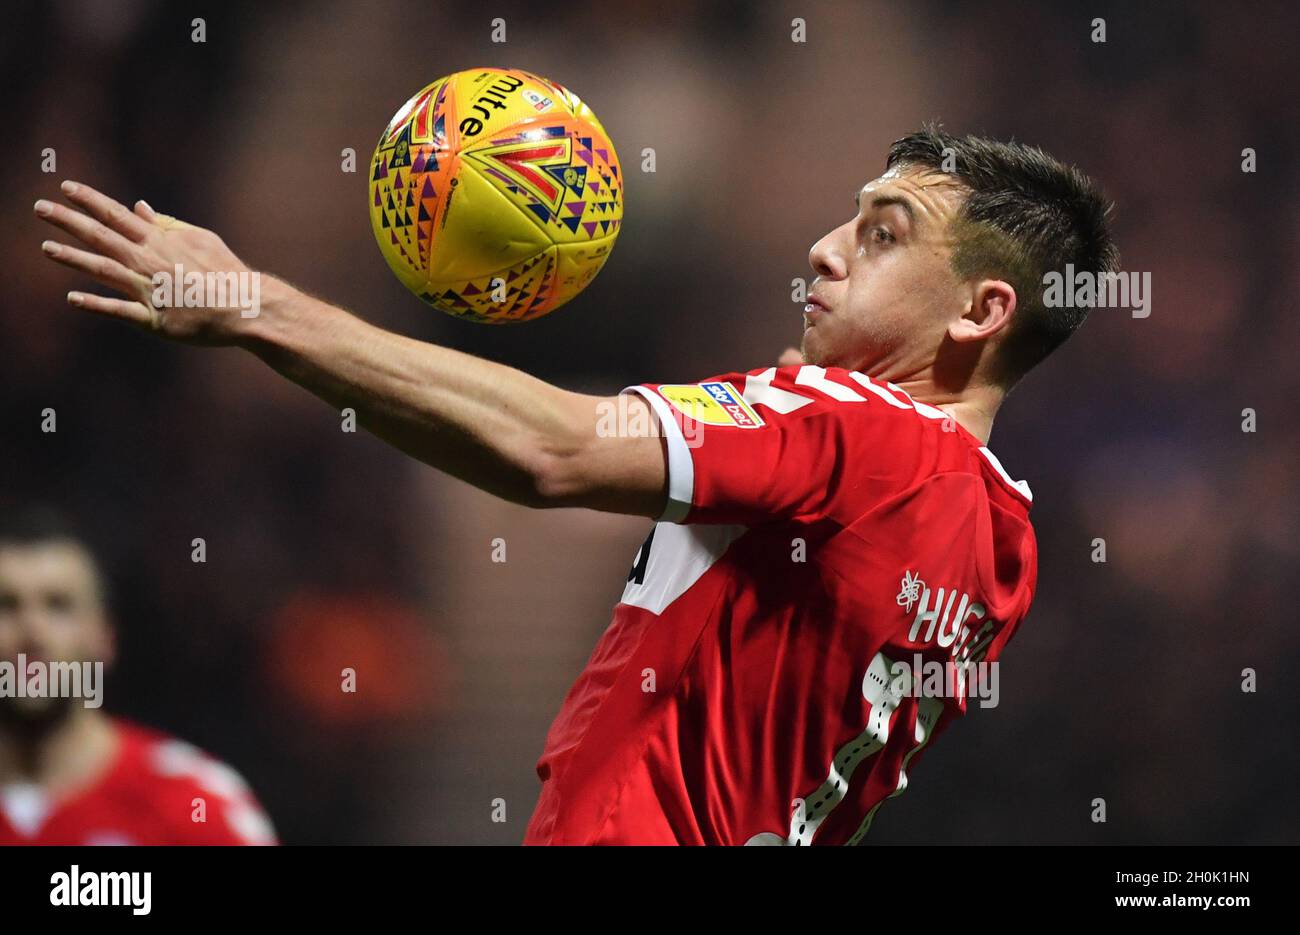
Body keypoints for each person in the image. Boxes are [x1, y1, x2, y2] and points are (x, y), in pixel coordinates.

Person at [33, 124, 1117, 845]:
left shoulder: (862, 431)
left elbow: (554, 449)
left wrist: (251, 304)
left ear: (979, 312)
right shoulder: (1004, 544)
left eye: (881, 235)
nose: (824, 250)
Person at [0, 509, 276, 845]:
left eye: (58, 606)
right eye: (6, 606)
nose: (32, 633)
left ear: (105, 638)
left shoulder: (192, 807)